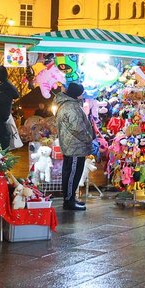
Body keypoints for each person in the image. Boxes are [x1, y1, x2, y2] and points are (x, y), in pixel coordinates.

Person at [54, 82, 94, 211]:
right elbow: (78, 128)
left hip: (74, 145)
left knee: (72, 173)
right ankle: (69, 201)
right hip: (74, 146)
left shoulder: (69, 105)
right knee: (72, 174)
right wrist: (89, 137)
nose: (82, 96)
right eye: (81, 93)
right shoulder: (70, 107)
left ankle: (71, 198)